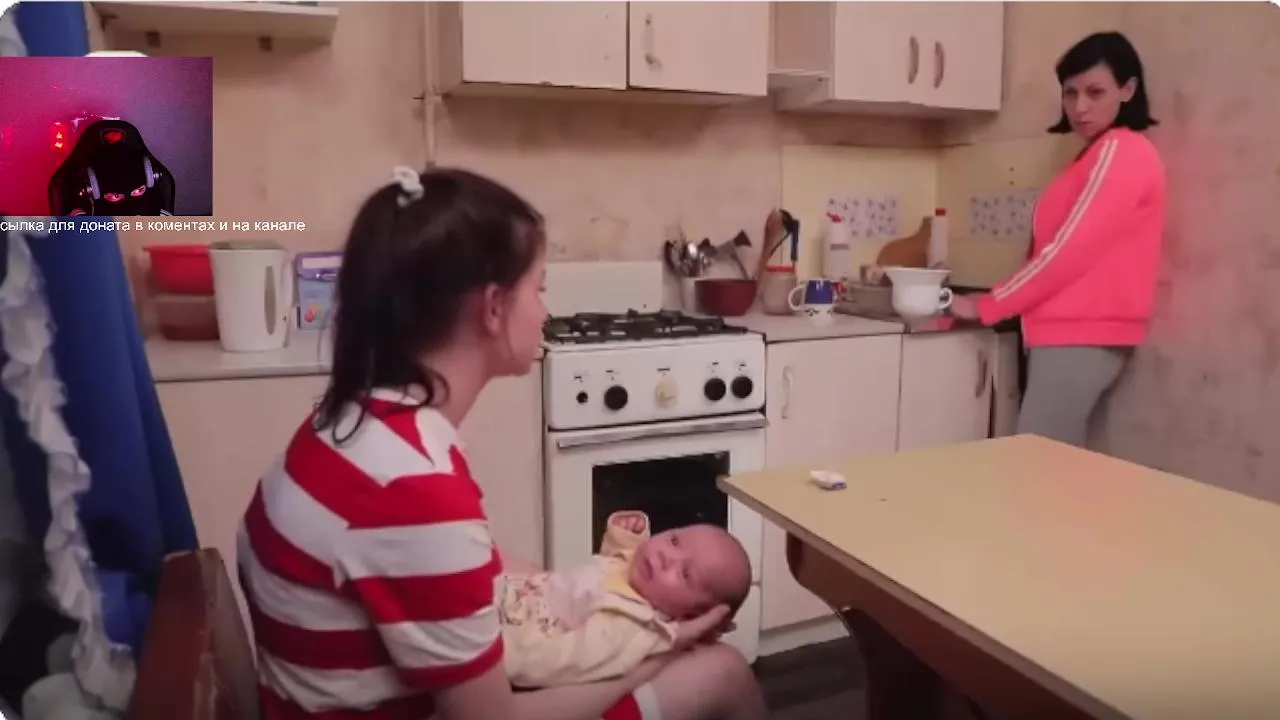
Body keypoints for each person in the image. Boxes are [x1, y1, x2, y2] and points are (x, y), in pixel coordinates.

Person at [236, 166, 770, 720]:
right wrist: (658, 651)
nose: (546, 311)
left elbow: (474, 568)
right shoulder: (414, 487)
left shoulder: (354, 422)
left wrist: (575, 591)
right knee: (723, 670)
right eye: (539, 289)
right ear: (493, 308)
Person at [948, 31, 1167, 448]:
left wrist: (989, 304)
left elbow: (1066, 253)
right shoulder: (1096, 155)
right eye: (1070, 93)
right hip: (1076, 333)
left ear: (1127, 89)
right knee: (1057, 464)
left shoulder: (1120, 151)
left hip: (1080, 334)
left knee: (1037, 463)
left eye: (1095, 92)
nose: (1080, 107)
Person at [502, 511, 751, 688]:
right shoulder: (638, 578)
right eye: (674, 540)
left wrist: (505, 658)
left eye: (685, 573)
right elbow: (612, 567)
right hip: (521, 594)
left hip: (517, 633)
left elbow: (563, 663)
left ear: (689, 617)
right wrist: (626, 536)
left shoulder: (630, 625)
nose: (666, 556)